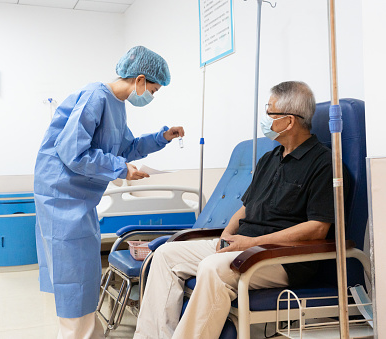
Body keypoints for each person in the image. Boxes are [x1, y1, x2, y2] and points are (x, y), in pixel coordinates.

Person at [134, 81, 343, 339]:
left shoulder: (323, 162)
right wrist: (226, 236)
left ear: (289, 122)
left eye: (270, 113)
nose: (265, 120)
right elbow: (245, 208)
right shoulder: (270, 158)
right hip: (243, 246)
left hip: (282, 257)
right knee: (165, 254)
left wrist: (253, 242)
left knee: (213, 269)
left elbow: (318, 229)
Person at [34, 46, 184, 339]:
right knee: (71, 271)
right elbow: (71, 151)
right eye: (152, 89)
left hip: (80, 198)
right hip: (61, 195)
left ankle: (88, 329)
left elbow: (126, 148)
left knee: (84, 269)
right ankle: (76, 332)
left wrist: (161, 138)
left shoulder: (117, 104)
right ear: (139, 79)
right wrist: (120, 169)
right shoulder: (95, 96)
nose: (151, 96)